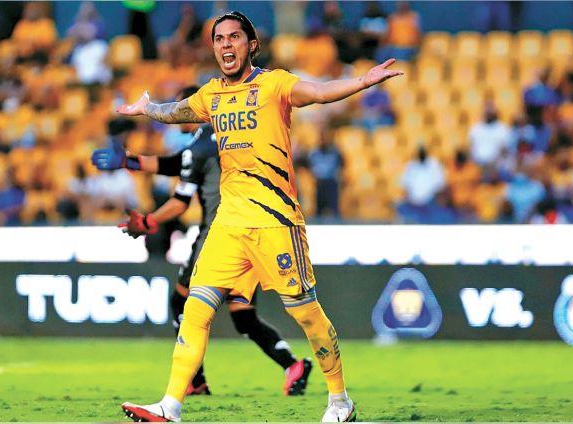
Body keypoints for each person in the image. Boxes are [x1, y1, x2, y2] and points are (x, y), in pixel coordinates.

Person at [113, 11, 402, 422]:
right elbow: (179, 112)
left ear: (252, 45)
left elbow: (319, 92)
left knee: (305, 313)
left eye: (234, 37)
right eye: (219, 39)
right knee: (196, 309)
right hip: (228, 223)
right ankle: (170, 406)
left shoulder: (274, 84)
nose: (225, 45)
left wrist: (362, 81)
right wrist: (148, 108)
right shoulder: (211, 94)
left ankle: (340, 401)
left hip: (275, 221)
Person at [93, 86, 313, 398]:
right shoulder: (226, 136)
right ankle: (293, 365)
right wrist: (132, 162)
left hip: (217, 237)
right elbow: (180, 163)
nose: (175, 114)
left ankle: (194, 380)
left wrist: (148, 221)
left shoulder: (199, 145)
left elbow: (180, 200)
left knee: (181, 303)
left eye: (180, 107)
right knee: (243, 315)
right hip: (252, 235)